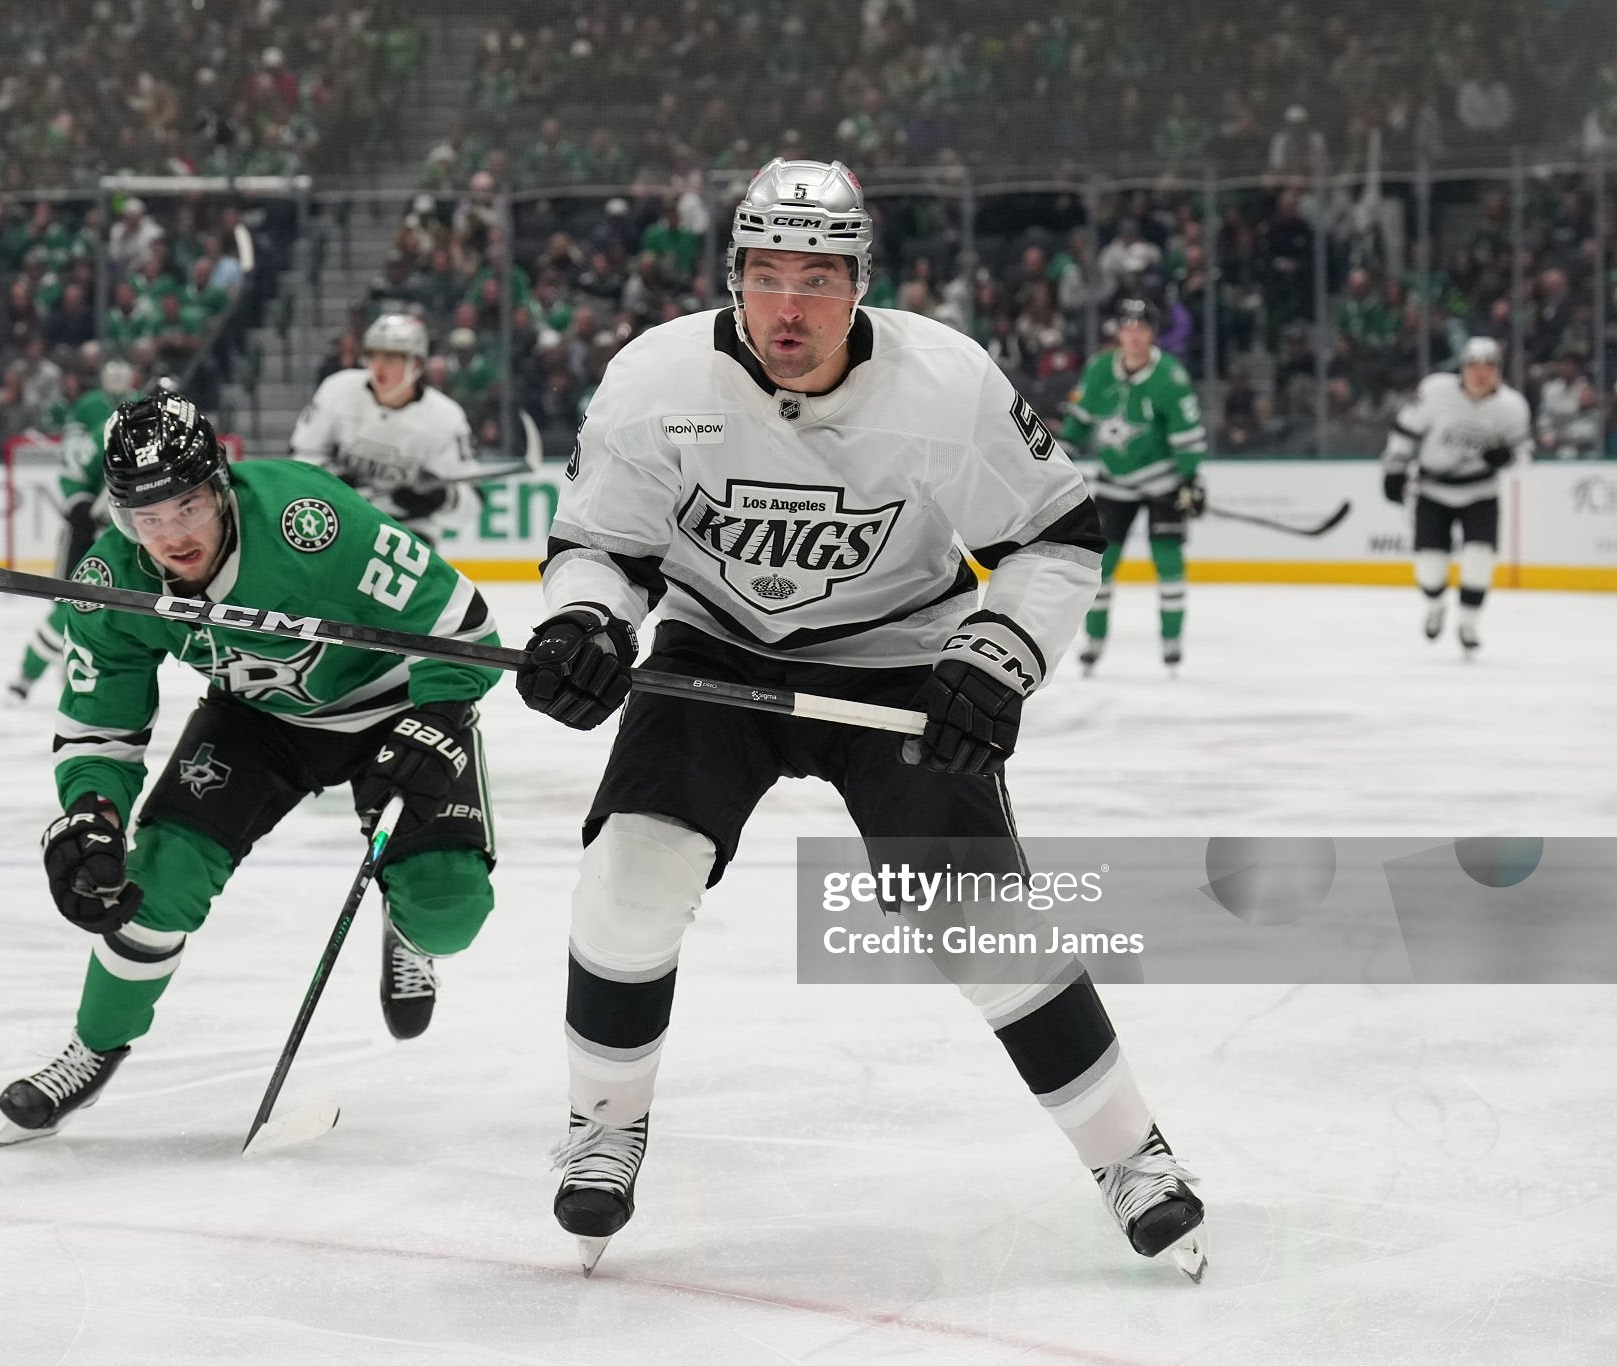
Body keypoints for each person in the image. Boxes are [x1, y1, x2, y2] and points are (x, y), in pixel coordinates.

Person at [514, 159, 1206, 1279]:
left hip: (899, 656)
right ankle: (603, 1122)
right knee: (629, 880)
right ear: (733, 276)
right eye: (767, 274)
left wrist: (998, 653)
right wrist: (586, 624)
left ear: (858, 284)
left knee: (974, 917)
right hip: (712, 648)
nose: (790, 306)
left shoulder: (946, 382)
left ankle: (1131, 1155)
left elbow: (1057, 530)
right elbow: (603, 545)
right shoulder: (653, 380)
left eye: (818, 278)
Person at [0, 394, 504, 1146]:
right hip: (258, 722)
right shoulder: (110, 578)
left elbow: (462, 625)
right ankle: (92, 1048)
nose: (172, 534)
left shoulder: (309, 520)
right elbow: (101, 720)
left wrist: (439, 714)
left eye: (188, 505)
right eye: (149, 517)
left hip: (392, 705)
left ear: (221, 486)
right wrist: (94, 811)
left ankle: (410, 929)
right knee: (153, 878)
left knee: (451, 910)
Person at [1058, 298, 1208, 674]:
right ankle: (1094, 642)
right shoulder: (1098, 371)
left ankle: (1172, 641)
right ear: (1119, 332)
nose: (1135, 335)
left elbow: (1187, 437)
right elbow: (1078, 421)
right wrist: (1058, 458)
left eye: (1142, 328)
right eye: (1128, 327)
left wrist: (1191, 480)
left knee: (1168, 563)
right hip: (1115, 483)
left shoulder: (1170, 376)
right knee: (1101, 566)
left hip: (1163, 483)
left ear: (1152, 334)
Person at [1381, 336, 1531, 652]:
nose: (1481, 373)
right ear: (1462, 367)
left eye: (1489, 366)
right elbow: (1406, 431)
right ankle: (1435, 605)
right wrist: (1394, 468)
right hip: (1432, 491)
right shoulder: (1435, 392)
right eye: (1474, 366)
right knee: (1430, 568)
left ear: (1498, 371)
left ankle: (1468, 623)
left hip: (1481, 492)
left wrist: (1509, 459)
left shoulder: (1512, 407)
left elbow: (1524, 455)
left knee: (1479, 560)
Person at [8, 360, 143, 702]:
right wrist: (81, 507)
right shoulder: (106, 430)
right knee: (67, 604)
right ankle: (28, 674)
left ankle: (80, 674)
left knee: (111, 616)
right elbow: (72, 471)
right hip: (87, 532)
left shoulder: (151, 434)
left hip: (125, 536)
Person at [290, 313, 478, 545]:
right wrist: (335, 481)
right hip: (339, 520)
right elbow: (301, 457)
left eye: (391, 358)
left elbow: (468, 509)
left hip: (408, 534)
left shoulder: (446, 418)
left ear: (416, 364)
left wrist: (441, 499)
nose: (378, 366)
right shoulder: (337, 390)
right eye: (373, 355)